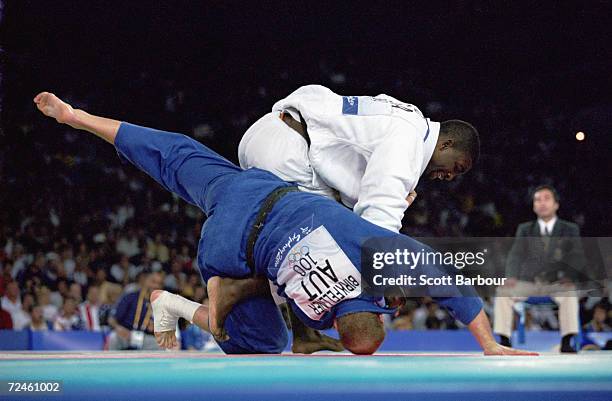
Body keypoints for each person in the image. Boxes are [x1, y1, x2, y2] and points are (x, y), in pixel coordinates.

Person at [33, 91, 533, 356]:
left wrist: (78, 116)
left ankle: (80, 117)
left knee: (174, 155)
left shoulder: (401, 116)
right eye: (457, 169)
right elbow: (384, 222)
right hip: (237, 235)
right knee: (263, 341)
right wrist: (488, 342)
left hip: (258, 183)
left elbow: (413, 257)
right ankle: (204, 301)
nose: (449, 178)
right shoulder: (405, 149)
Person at [239, 85, 479, 232]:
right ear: (446, 144)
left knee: (292, 274)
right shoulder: (410, 139)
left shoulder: (409, 117)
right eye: (456, 167)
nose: (449, 177)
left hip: (271, 133)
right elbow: (380, 212)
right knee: (328, 263)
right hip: (289, 157)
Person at [494, 185, 585, 353]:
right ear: (534, 206)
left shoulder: (569, 229)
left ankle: (567, 340)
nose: (542, 203)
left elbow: (577, 256)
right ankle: (504, 340)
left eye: (546, 199)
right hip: (530, 282)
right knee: (503, 290)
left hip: (557, 282)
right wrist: (511, 276)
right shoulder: (525, 229)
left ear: (556, 204)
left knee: (570, 291)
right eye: (538, 200)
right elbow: (515, 254)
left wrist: (570, 276)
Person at [107, 270, 163, 350]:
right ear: (145, 281)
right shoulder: (130, 297)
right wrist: (118, 328)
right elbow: (111, 319)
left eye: (159, 283)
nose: (156, 286)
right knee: (113, 338)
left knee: (161, 346)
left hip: (144, 338)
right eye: (153, 282)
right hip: (126, 334)